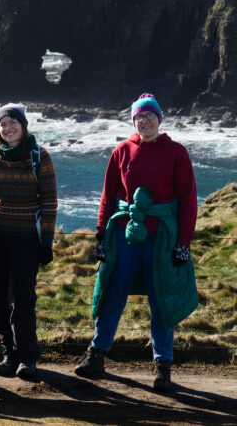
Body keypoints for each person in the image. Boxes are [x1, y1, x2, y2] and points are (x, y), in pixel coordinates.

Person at [74, 93, 198, 392]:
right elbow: (108, 196)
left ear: (159, 119)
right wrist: (101, 233)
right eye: (139, 116)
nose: (145, 120)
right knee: (113, 292)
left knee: (161, 299)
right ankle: (96, 355)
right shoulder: (121, 151)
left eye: (150, 115)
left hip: (162, 238)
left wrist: (183, 242)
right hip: (125, 234)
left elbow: (188, 200)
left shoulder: (177, 153)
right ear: (133, 120)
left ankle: (162, 367)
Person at [0, 104, 57, 380]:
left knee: (23, 300)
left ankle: (28, 357)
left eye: (13, 123)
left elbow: (50, 202)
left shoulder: (39, 156)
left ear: (23, 125)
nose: (8, 128)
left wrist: (46, 243)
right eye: (3, 124)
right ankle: (9, 354)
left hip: (26, 240)